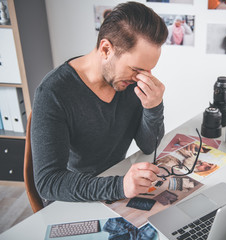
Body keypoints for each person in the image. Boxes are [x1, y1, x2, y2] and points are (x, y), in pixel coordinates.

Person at [31, 2, 169, 204]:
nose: (143, 78)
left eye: (149, 70)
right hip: (73, 198)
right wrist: (119, 186)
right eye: (137, 70)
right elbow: (49, 182)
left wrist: (154, 106)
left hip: (116, 188)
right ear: (106, 49)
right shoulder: (53, 93)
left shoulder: (129, 82)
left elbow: (149, 145)